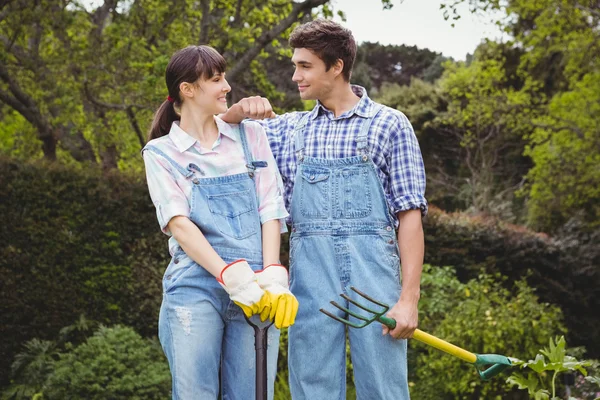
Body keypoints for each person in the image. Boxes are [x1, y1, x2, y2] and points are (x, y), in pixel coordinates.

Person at [222, 19, 427, 399]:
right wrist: (235, 114)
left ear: (336, 67)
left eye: (305, 66)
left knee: (383, 388)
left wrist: (408, 299)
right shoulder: (288, 131)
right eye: (295, 65)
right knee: (311, 387)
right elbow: (211, 138)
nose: (295, 75)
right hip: (311, 280)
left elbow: (409, 216)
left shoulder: (389, 125)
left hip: (375, 279)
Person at [142, 45, 298, 400]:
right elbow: (179, 223)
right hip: (197, 285)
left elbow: (270, 207)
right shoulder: (161, 153)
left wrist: (272, 272)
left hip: (257, 287)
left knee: (252, 394)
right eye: (216, 79)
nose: (227, 86)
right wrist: (227, 274)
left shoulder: (250, 136)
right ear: (188, 89)